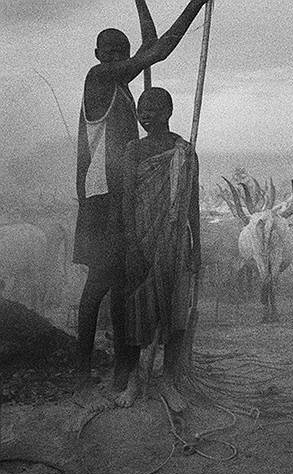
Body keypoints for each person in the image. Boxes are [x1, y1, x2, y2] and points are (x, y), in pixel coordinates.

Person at [73, 0, 211, 389]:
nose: (117, 58)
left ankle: (122, 369)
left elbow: (150, 47)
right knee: (99, 286)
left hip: (118, 198)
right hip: (102, 201)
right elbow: (158, 50)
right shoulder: (98, 78)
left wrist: (141, 3)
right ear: (98, 55)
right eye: (111, 52)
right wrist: (195, 5)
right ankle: (84, 371)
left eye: (123, 52)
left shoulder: (118, 85)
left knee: (120, 285)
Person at [116, 87, 200, 410]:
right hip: (142, 239)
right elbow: (127, 201)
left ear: (169, 111)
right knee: (138, 308)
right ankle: (135, 380)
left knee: (175, 310)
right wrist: (131, 245)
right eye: (141, 109)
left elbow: (192, 202)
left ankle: (168, 380)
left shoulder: (185, 152)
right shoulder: (133, 151)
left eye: (152, 109)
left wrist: (196, 245)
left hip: (175, 242)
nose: (145, 115)